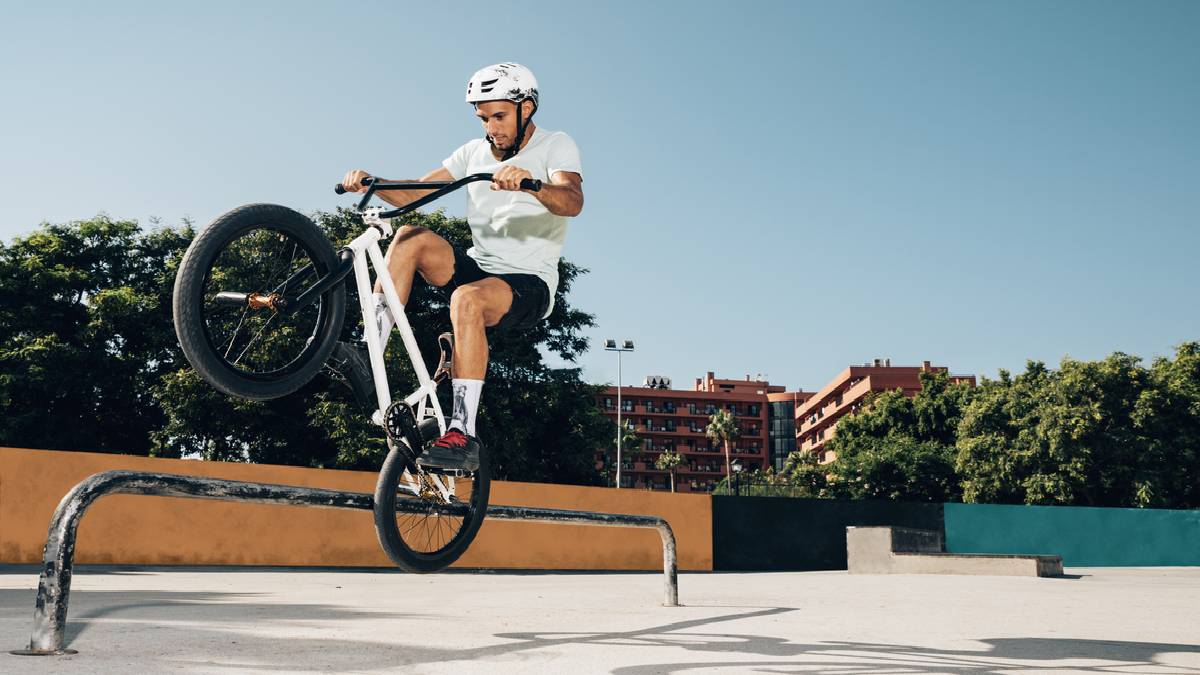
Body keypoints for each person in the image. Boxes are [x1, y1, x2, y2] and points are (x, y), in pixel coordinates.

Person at [332, 62, 584, 471]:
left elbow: (572, 201)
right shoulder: (473, 153)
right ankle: (368, 351)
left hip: (528, 284)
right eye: (484, 118)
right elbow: (417, 191)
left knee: (466, 300)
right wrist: (373, 183)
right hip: (478, 266)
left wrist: (531, 184)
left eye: (500, 116)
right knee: (410, 236)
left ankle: (462, 432)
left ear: (527, 108)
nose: (492, 127)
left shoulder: (556, 145)